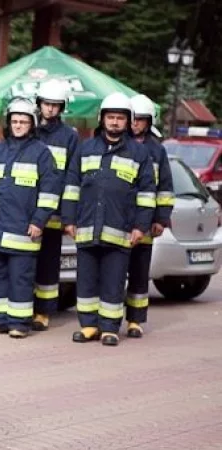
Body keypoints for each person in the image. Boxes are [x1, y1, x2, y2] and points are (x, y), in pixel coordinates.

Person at [63, 93, 156, 347]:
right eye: (110, 117)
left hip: (120, 229)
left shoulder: (140, 153)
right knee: (86, 279)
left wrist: (141, 226)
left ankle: (110, 327)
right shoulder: (85, 149)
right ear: (102, 119)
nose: (115, 122)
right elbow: (72, 186)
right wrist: (68, 219)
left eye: (120, 118)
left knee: (114, 280)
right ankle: (89, 326)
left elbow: (147, 194)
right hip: (86, 226)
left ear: (128, 122)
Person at [0, 98, 61, 338]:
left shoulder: (41, 154)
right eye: (14, 121)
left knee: (21, 279)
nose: (18, 125)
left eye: (23, 121)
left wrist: (38, 221)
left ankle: (19, 323)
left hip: (24, 230)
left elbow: (50, 192)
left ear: (32, 124)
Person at [32, 79, 79, 330]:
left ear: (62, 108)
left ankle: (43, 312)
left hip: (53, 212)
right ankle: (23, 306)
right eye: (46, 104)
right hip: (27, 210)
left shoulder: (69, 137)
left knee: (48, 264)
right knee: (25, 261)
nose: (50, 109)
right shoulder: (31, 130)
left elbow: (72, 178)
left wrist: (67, 215)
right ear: (38, 104)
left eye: (55, 105)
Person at [126, 94, 174, 338]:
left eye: (140, 120)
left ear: (148, 122)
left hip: (144, 223)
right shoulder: (115, 144)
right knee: (113, 273)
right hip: (119, 221)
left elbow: (164, 188)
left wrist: (160, 218)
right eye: (131, 119)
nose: (134, 123)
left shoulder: (157, 151)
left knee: (139, 274)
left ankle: (135, 320)